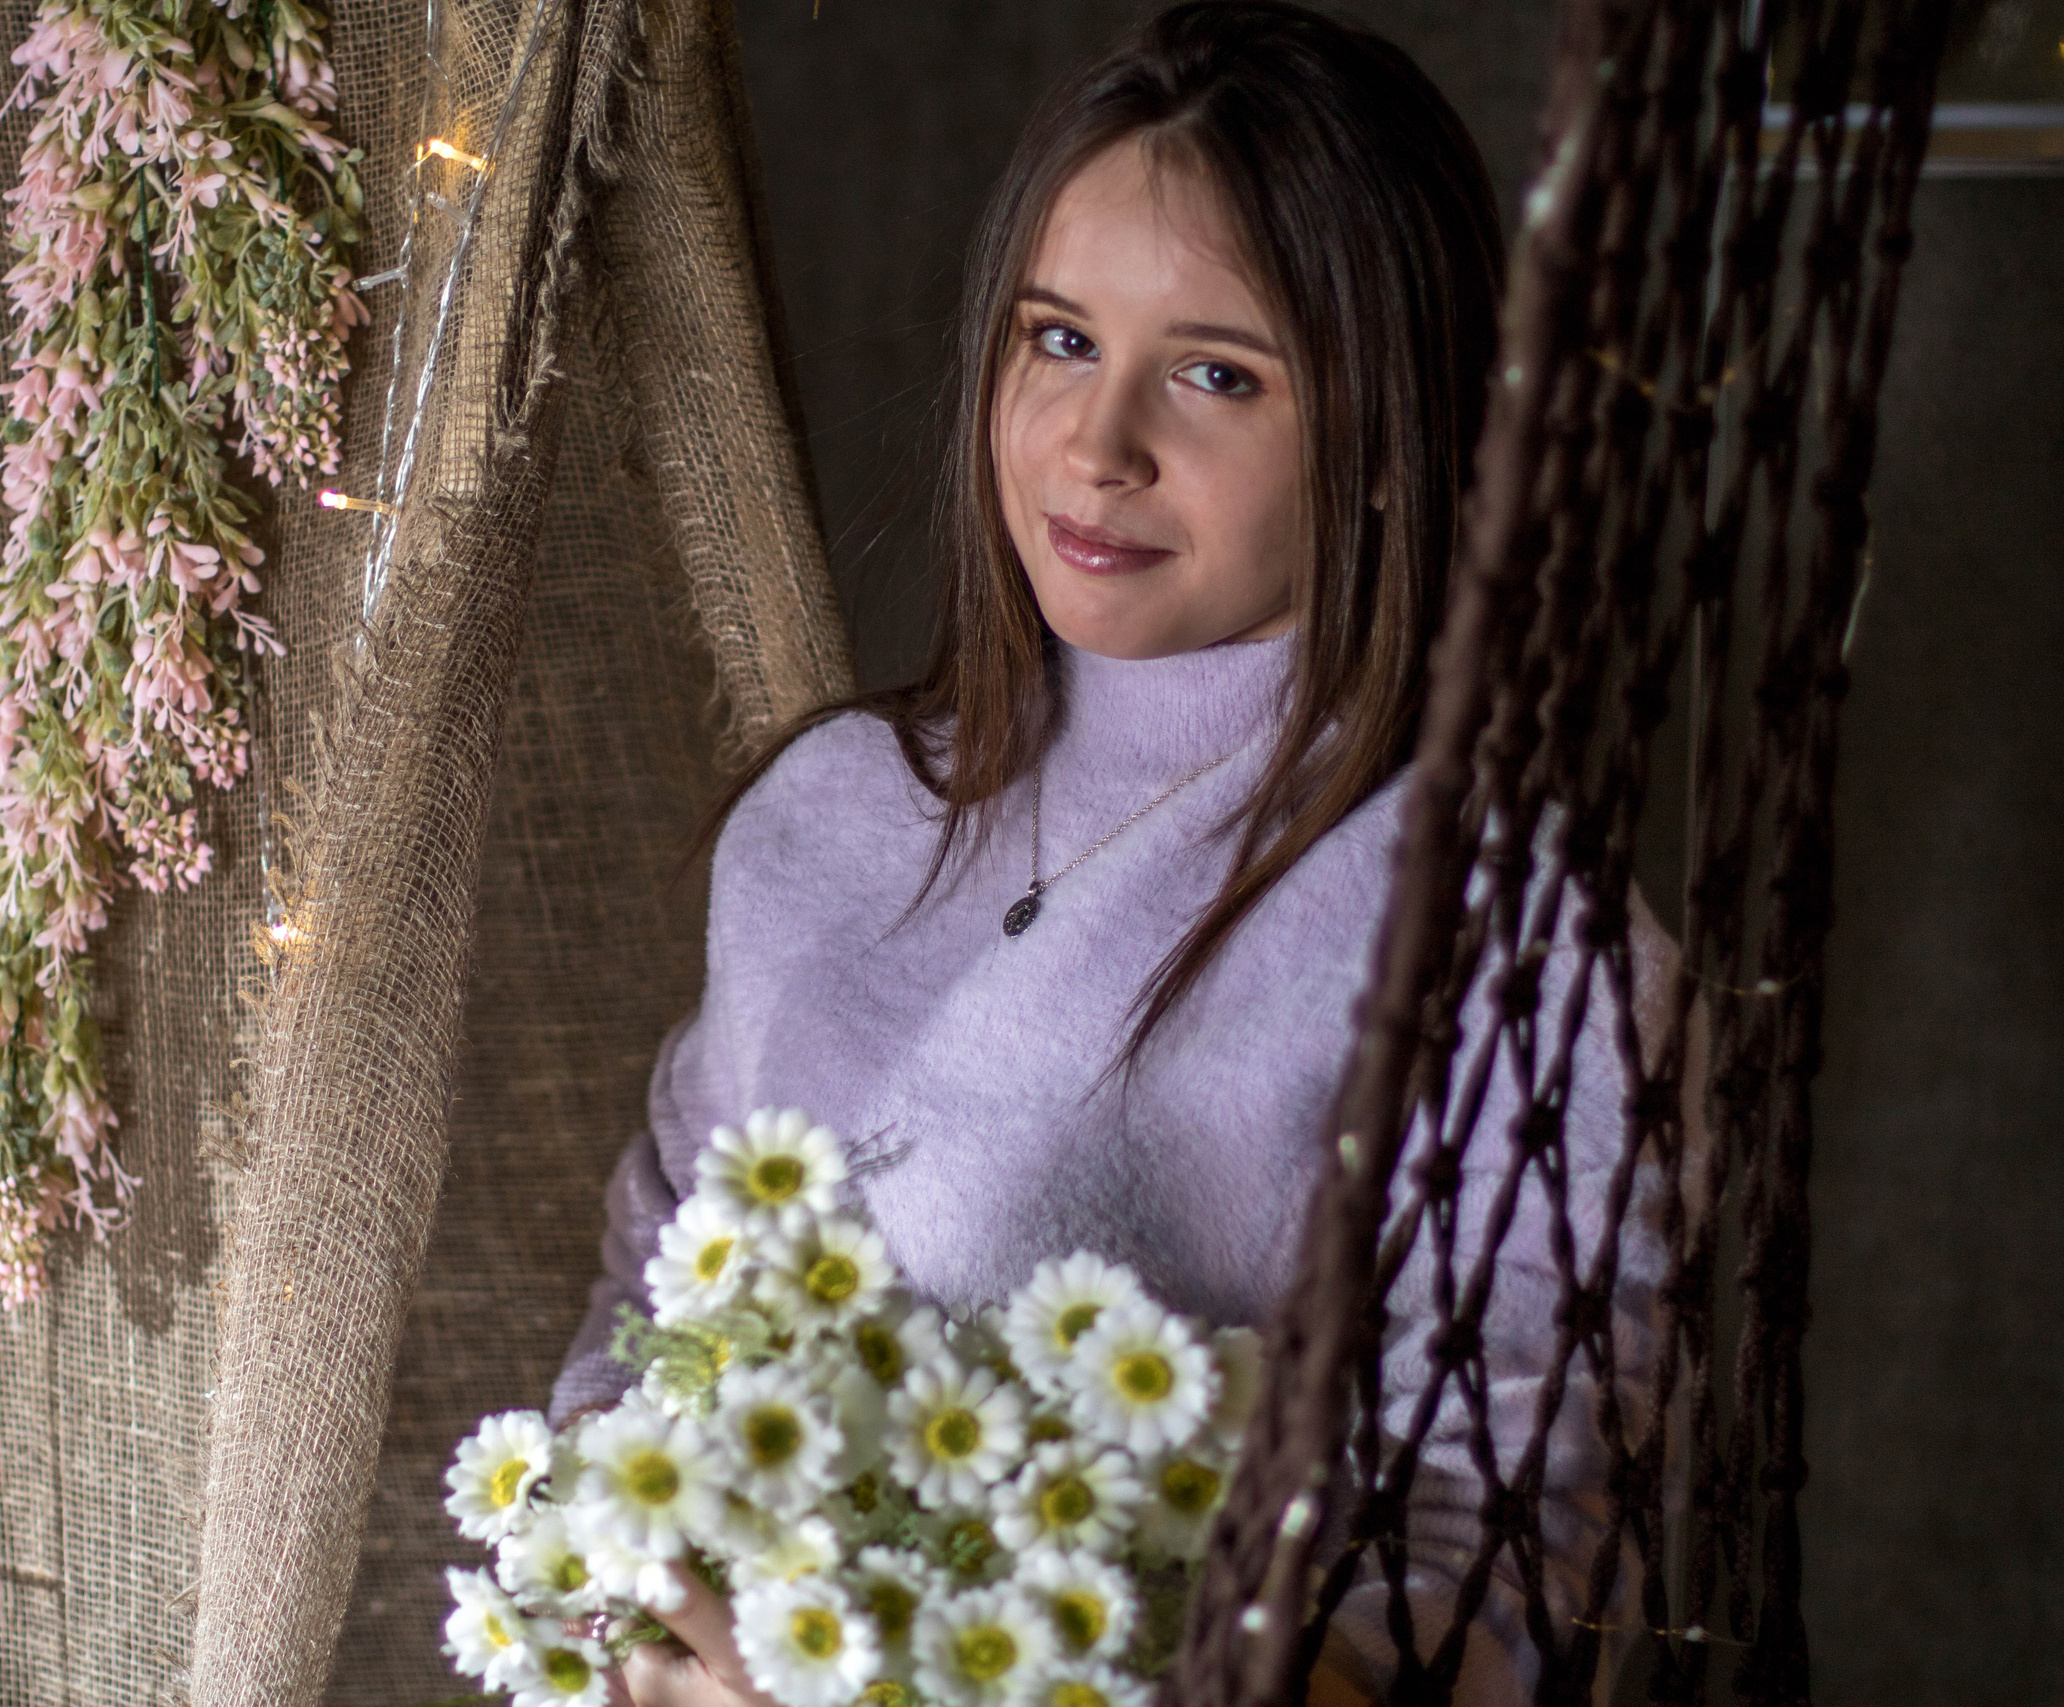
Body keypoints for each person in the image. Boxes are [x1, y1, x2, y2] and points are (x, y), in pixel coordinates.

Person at [550, 4, 1671, 1702]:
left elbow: (1514, 1552)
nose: (1098, 444)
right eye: (1058, 340)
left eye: (1217, 374)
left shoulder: (1513, 937)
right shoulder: (830, 809)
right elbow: (646, 1294)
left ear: (1389, 433)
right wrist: (630, 1619)